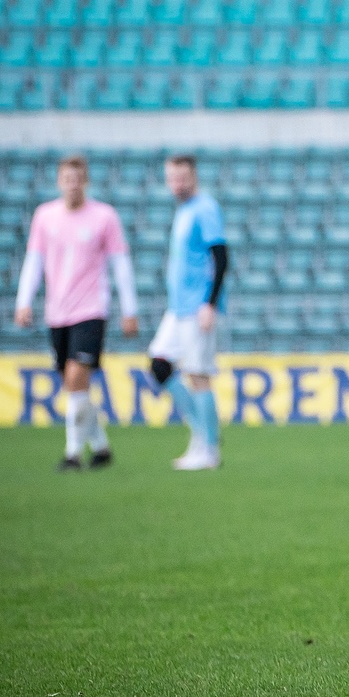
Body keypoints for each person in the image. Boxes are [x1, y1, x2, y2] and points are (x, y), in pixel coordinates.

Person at [13, 154, 138, 470]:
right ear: (59, 182)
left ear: (85, 182)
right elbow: (34, 260)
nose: (72, 185)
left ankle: (72, 454)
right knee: (74, 387)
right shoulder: (45, 216)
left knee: (75, 377)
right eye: (66, 179)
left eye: (77, 179)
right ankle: (101, 448)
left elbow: (120, 264)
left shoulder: (104, 217)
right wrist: (23, 301)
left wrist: (130, 309)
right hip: (58, 312)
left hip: (91, 310)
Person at [150, 154, 229, 471]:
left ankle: (208, 450)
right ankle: (203, 433)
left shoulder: (205, 208)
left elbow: (221, 257)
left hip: (198, 306)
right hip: (178, 307)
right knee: (159, 364)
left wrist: (209, 303)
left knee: (198, 374)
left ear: (193, 176)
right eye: (172, 178)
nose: (177, 184)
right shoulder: (183, 211)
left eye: (182, 178)